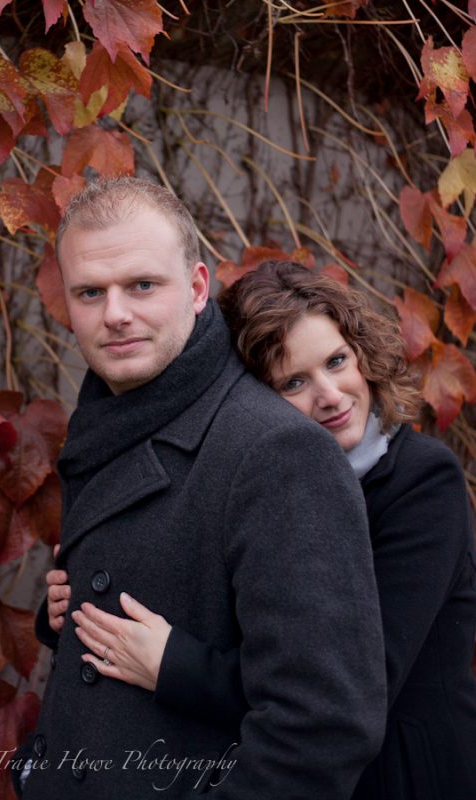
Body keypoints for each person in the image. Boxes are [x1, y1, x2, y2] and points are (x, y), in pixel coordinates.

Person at [49, 260, 476, 800]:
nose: (330, 394)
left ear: (363, 355)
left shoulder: (423, 484)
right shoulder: (258, 480)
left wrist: (175, 666)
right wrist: (73, 597)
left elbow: (356, 685)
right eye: (293, 381)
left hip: (402, 777)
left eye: (336, 361)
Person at [18, 183, 386, 800]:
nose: (115, 314)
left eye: (142, 285)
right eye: (90, 292)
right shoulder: (106, 422)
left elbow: (323, 725)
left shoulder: (275, 451)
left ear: (194, 287)